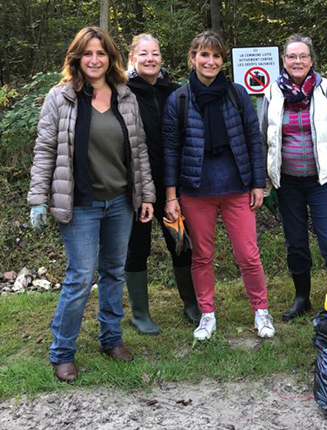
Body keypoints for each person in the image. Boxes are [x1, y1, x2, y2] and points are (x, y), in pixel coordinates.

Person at [27, 27, 155, 382]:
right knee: (81, 277)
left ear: (111, 58)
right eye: (88, 54)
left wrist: (146, 195)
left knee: (114, 272)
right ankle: (62, 351)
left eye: (101, 53)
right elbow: (45, 150)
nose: (95, 60)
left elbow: (139, 150)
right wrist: (38, 198)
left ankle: (111, 339)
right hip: (79, 203)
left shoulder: (124, 96)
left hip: (120, 203)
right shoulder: (61, 97)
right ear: (77, 58)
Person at [162, 30, 275, 340]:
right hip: (196, 192)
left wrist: (257, 184)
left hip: (237, 188)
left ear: (223, 60)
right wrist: (171, 196)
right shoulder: (179, 99)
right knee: (202, 257)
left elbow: (254, 140)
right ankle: (207, 314)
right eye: (204, 55)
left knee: (248, 255)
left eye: (216, 56)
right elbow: (170, 150)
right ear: (192, 58)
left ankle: (261, 310)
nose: (210, 61)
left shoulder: (238, 95)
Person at [261, 34, 327, 322]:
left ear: (311, 60)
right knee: (296, 243)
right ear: (284, 61)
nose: (297, 61)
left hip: (322, 182)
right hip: (287, 182)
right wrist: (266, 184)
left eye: (303, 56)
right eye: (291, 56)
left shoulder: (325, 89)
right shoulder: (271, 92)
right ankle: (302, 298)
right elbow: (261, 139)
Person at [124, 33, 199, 335]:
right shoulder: (123, 93)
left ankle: (191, 302)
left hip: (172, 186)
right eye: (143, 54)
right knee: (137, 248)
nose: (150, 59)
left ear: (162, 59)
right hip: (137, 187)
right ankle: (140, 314)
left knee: (180, 243)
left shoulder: (176, 92)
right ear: (132, 58)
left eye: (155, 53)